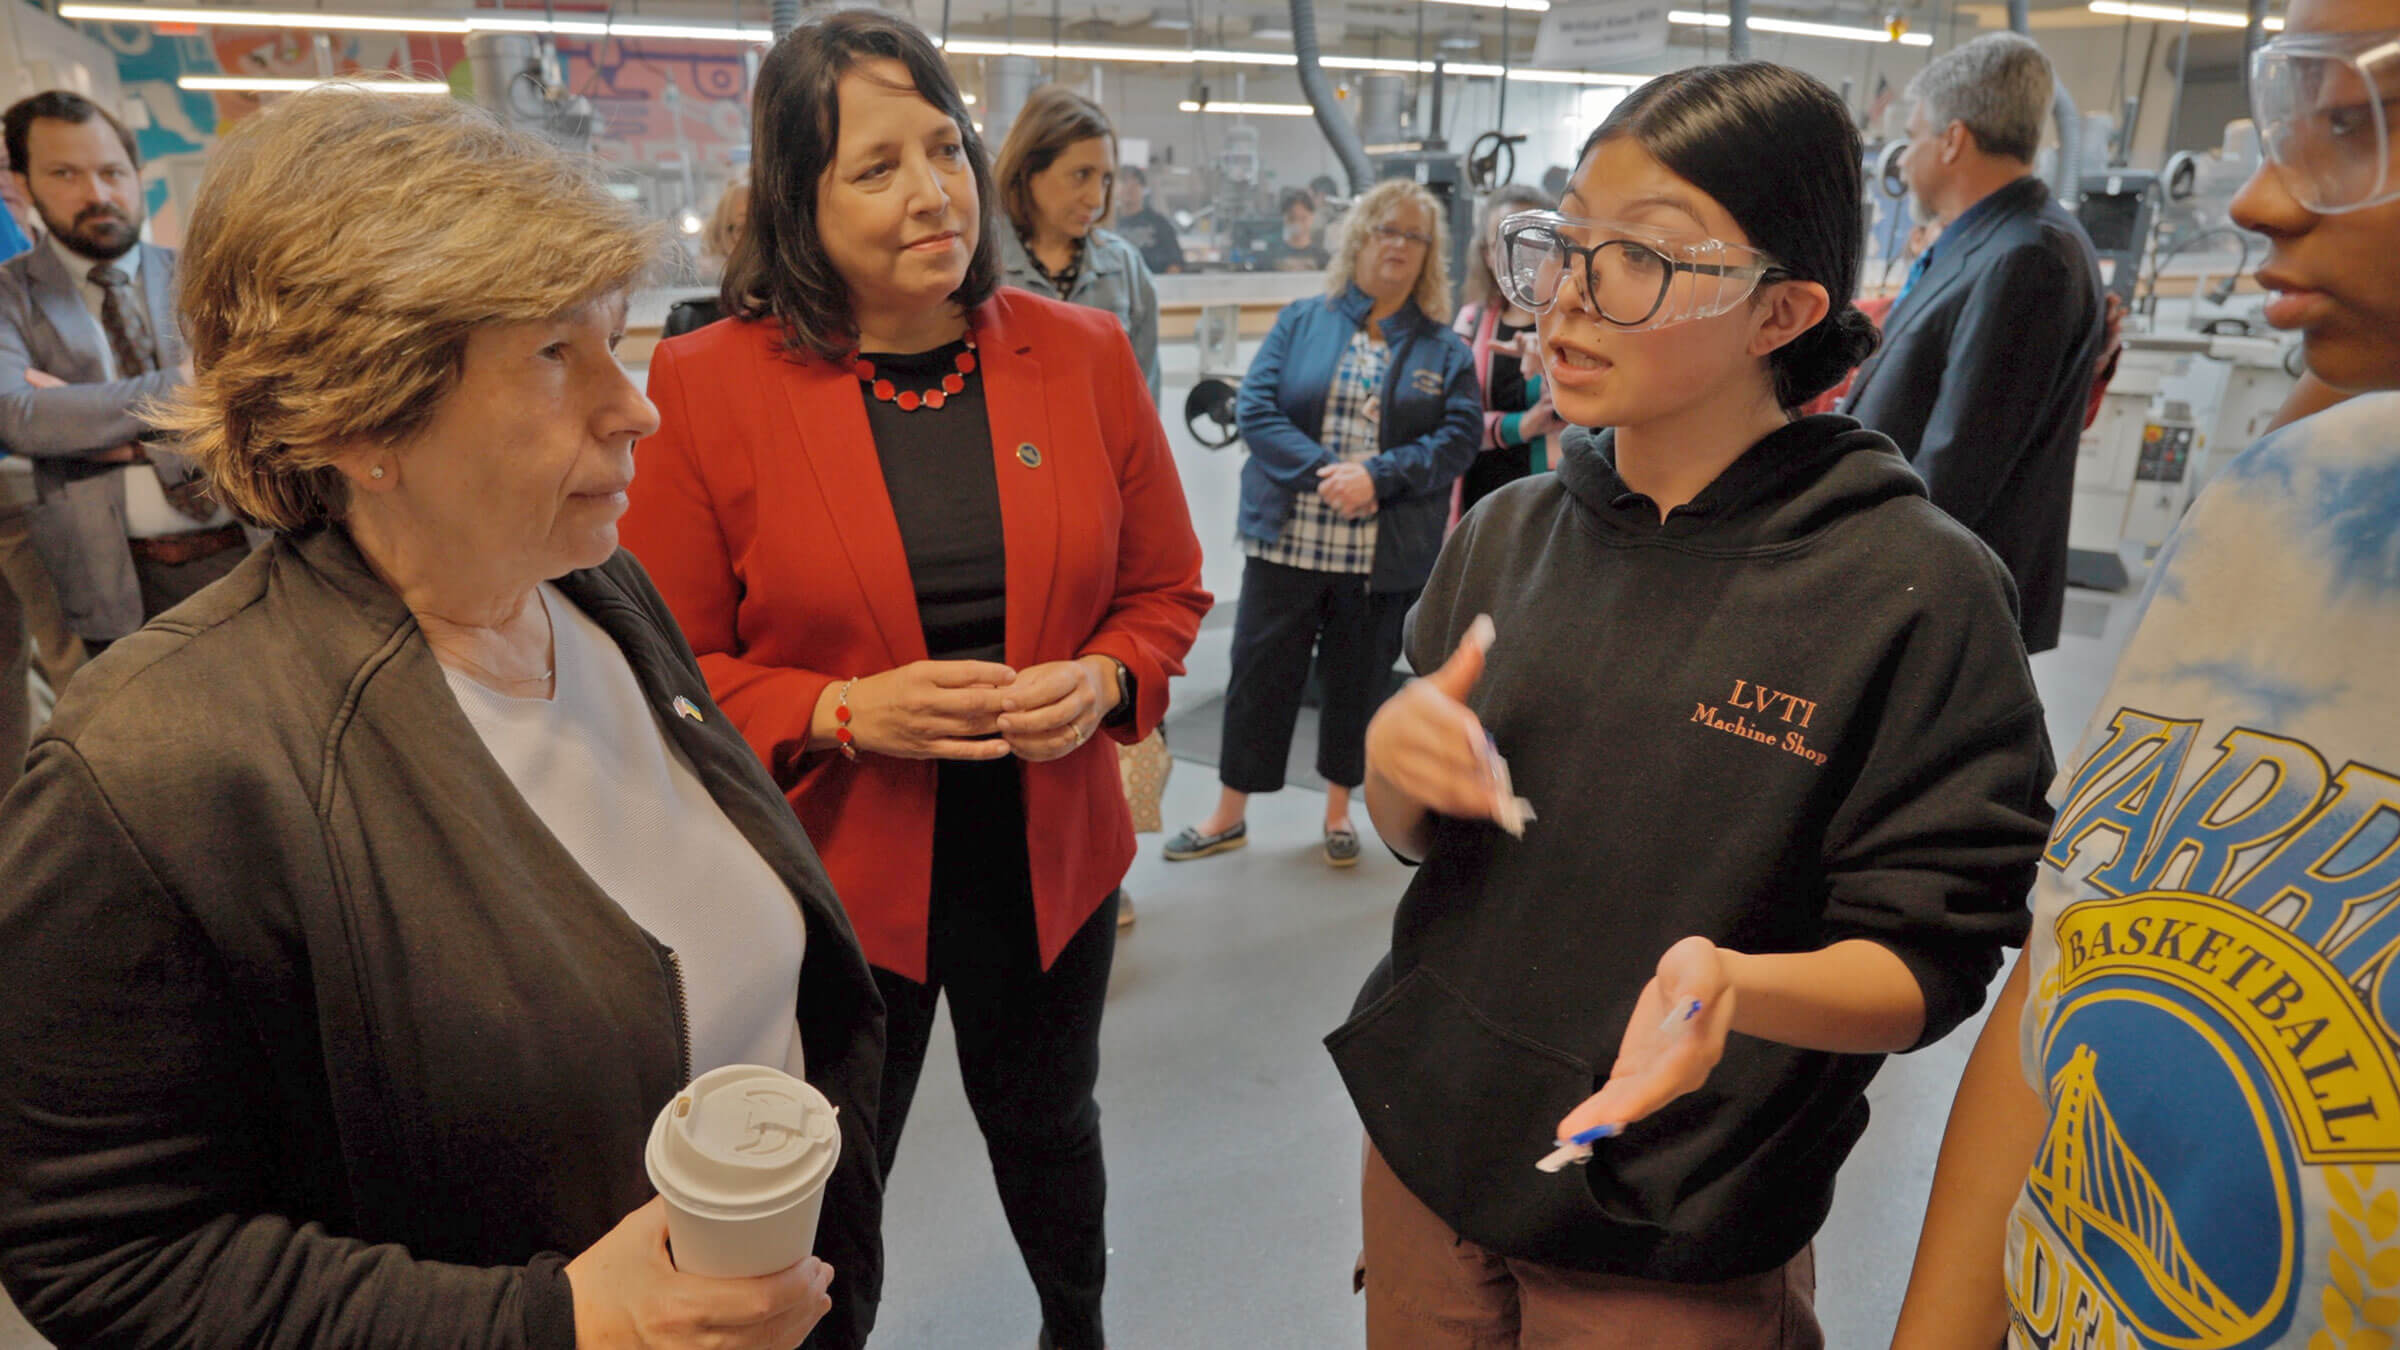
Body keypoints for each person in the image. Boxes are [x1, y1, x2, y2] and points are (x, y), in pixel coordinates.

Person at [0, 87, 887, 1350]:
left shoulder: (594, 592)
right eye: (551, 355)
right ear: (364, 415)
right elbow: (105, 1251)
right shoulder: (155, 770)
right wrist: (547, 1322)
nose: (633, 405)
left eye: (613, 341)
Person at [1339, 63, 2055, 1346]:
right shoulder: (1509, 532)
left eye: (1642, 258)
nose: (1565, 296)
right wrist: (1396, 761)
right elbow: (1412, 834)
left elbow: (1933, 956)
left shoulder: (1911, 590)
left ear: (1780, 310)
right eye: (1562, 241)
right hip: (1429, 1151)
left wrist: (1738, 987)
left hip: (1673, 1229)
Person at [618, 14, 1208, 1349]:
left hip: (1049, 858)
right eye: (876, 167)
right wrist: (836, 708)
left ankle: (1077, 1323)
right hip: (832, 880)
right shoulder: (710, 382)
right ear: (796, 198)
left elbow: (1166, 589)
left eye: (945, 145)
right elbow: (666, 666)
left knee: (1052, 1125)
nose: (935, 189)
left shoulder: (1082, 356)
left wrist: (1110, 680)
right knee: (838, 1173)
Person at [1893, 2, 2400, 1343]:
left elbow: (1949, 468)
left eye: (2356, 125)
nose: (2261, 199)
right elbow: (2075, 954)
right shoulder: (2285, 498)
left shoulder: (2028, 259)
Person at [1162, 179, 1477, 871]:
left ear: (1429, 255)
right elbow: (1258, 411)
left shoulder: (1443, 350)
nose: (1397, 244)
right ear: (1358, 235)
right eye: (1384, 229)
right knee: (1259, 677)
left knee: (1358, 683)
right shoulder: (1301, 320)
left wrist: (1379, 477)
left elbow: (1457, 439)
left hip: (1381, 555)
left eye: (1413, 236)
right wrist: (1329, 474)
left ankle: (1339, 811)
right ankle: (1228, 812)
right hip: (1289, 541)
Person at [1841, 33, 2105, 655]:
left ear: (1954, 139)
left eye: (1913, 137)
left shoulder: (2026, 256)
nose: (1902, 162)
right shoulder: (1987, 241)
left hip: (1937, 605)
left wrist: (1870, 592)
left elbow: (1958, 466)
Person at [0, 90, 257, 656]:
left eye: (112, 172)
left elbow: (261, 404)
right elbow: (18, 419)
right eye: (64, 173)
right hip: (113, 582)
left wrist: (91, 424)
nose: (96, 194)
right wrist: (189, 386)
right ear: (22, 183)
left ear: (137, 175)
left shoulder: (207, 276)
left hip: (252, 552)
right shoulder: (9, 296)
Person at [995, 84, 1162, 400]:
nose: (1097, 199)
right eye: (1081, 175)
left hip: (1101, 449)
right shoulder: (983, 268)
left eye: (1106, 179)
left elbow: (1144, 400)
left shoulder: (1125, 268)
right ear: (1030, 171)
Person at [1454, 184, 1568, 521]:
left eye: (1530, 239)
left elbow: (1599, 417)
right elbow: (1453, 420)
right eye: (1503, 243)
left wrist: (1548, 367)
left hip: (1556, 499)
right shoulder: (1471, 321)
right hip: (1482, 496)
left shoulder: (1576, 318)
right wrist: (1521, 426)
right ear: (1487, 255)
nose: (1518, 254)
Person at [663, 177, 749, 338]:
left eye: (768, 227)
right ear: (720, 237)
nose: (757, 239)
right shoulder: (689, 324)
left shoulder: (804, 321)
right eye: (743, 228)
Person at [1112, 163, 1183, 276]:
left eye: (1135, 183)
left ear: (1143, 189)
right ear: (1114, 188)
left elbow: (1176, 262)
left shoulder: (1159, 223)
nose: (1129, 187)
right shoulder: (1106, 224)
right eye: (1124, 181)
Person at [1267, 186, 1330, 272]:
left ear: (1312, 217)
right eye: (1292, 218)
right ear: (1284, 218)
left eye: (1303, 218)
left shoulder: (1324, 258)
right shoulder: (1271, 256)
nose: (1297, 223)